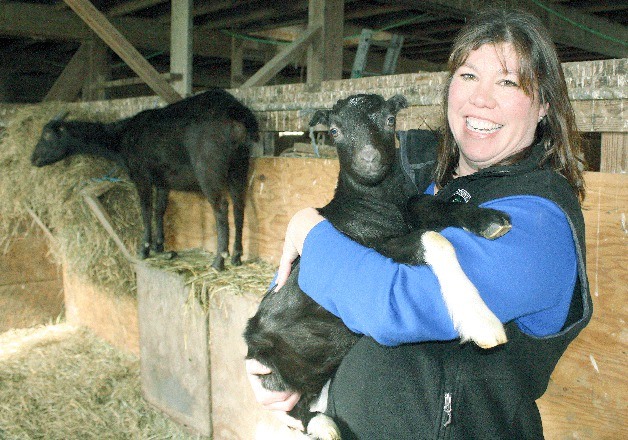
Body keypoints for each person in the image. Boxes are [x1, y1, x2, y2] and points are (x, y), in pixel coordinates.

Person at [246, 7, 592, 439]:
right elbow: (333, 276)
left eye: (507, 82)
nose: (480, 98)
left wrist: (308, 233)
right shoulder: (428, 191)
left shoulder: (540, 222)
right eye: (468, 76)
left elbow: (396, 305)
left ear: (544, 105)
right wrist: (273, 355)